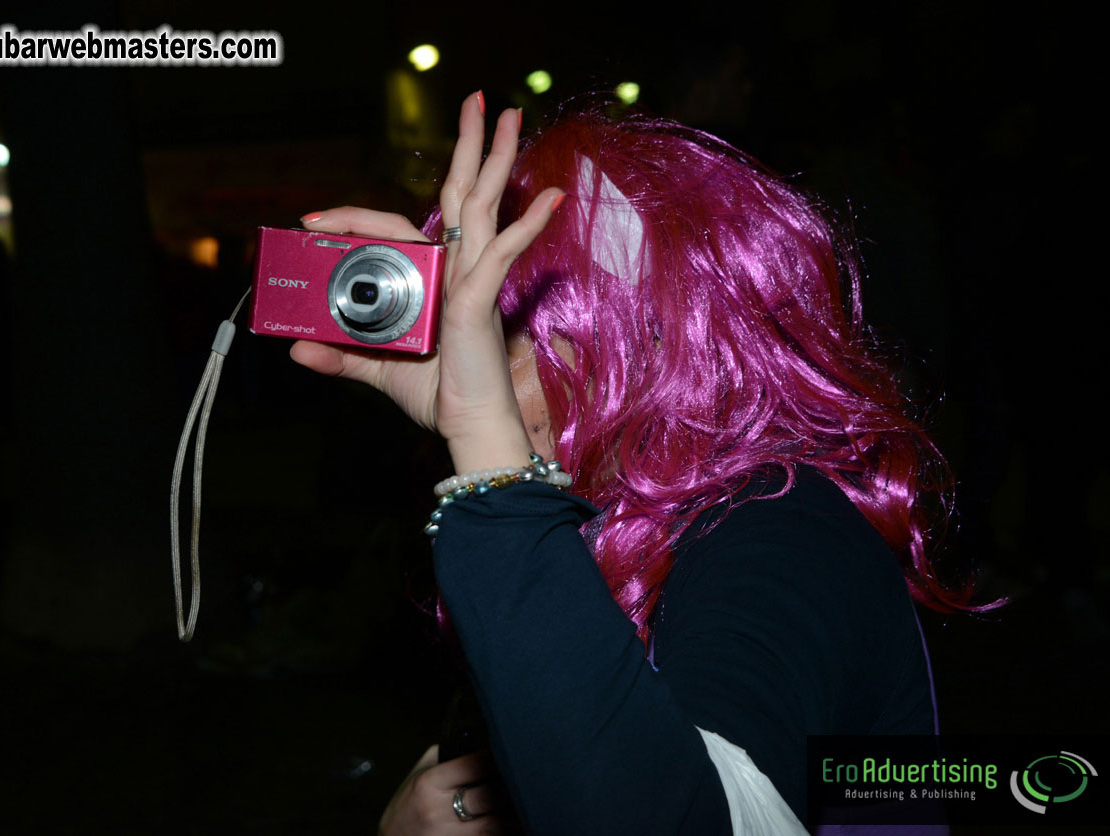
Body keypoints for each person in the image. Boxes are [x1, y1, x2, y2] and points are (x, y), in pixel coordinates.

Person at [291, 92, 980, 835]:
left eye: (498, 331)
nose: (469, 364)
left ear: (634, 345)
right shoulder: (601, 524)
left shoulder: (781, 528)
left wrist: (487, 453)